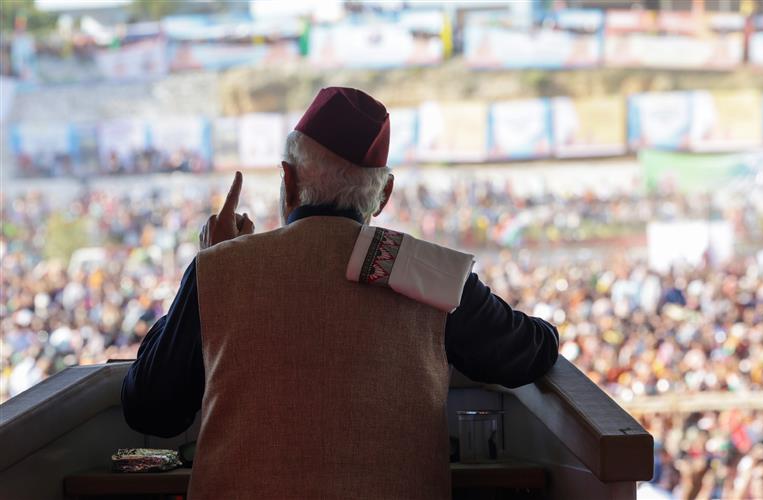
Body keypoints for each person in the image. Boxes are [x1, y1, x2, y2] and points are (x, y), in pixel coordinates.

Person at [122, 87, 559, 499]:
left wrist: (212, 264)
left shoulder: (221, 267)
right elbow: (532, 351)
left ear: (288, 181)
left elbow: (150, 409)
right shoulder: (424, 271)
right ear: (384, 195)